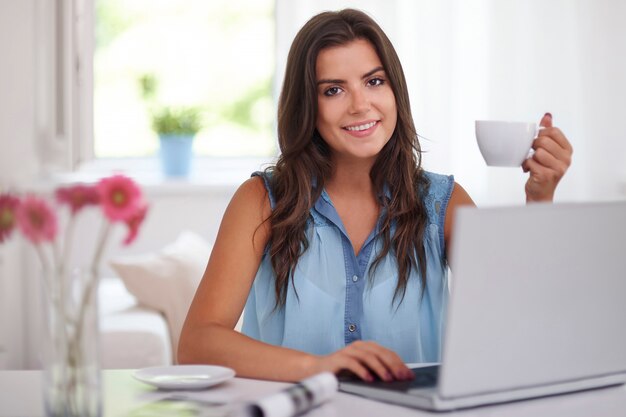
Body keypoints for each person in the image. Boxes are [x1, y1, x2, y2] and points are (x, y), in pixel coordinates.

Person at [178, 9, 573, 382]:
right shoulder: (261, 201)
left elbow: (517, 322)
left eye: (374, 81)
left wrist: (540, 199)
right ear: (307, 106)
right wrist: (318, 366)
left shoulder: (443, 203)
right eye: (333, 90)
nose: (360, 105)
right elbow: (198, 343)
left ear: (395, 90)